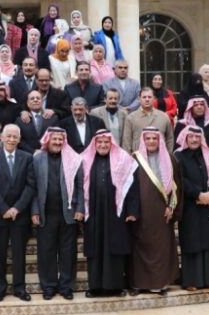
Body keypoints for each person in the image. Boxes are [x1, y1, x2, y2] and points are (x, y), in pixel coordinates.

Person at [81, 130, 139, 296]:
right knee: (95, 250)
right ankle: (95, 287)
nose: (103, 145)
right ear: (94, 144)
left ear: (111, 143)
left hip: (117, 213)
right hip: (93, 213)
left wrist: (132, 211)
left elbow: (132, 187)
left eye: (106, 142)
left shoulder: (123, 160)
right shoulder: (84, 160)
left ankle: (116, 287)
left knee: (115, 249)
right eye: (99, 142)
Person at [0, 124, 36, 302]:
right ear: (2, 138)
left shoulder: (27, 158)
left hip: (20, 215)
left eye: (15, 137)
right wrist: (4, 209)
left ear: (19, 139)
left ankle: (19, 288)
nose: (11, 140)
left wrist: (16, 208)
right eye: (9, 136)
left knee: (19, 254)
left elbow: (30, 186)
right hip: (0, 215)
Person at [31, 127, 84, 300]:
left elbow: (81, 186)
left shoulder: (74, 159)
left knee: (68, 252)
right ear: (47, 140)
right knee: (46, 252)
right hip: (46, 213)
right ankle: (49, 286)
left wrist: (80, 208)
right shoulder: (37, 159)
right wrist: (35, 210)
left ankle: (66, 286)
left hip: (68, 213)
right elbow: (33, 188)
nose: (57, 142)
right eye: (54, 139)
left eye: (60, 139)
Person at [129, 128, 180, 294]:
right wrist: (132, 211)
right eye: (148, 138)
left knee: (161, 249)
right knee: (139, 249)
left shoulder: (170, 159)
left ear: (160, 141)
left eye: (154, 138)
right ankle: (139, 284)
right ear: (143, 141)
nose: (151, 141)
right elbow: (129, 188)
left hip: (162, 213)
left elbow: (176, 187)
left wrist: (171, 207)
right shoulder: (134, 159)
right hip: (141, 213)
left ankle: (160, 284)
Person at [175, 126, 209, 291]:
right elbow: (181, 180)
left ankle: (208, 279)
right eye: (191, 137)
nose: (194, 140)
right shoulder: (179, 156)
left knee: (208, 242)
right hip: (190, 206)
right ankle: (191, 281)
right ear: (185, 138)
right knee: (192, 242)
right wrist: (198, 194)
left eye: (197, 137)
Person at [122, 88, 175, 152]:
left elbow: (170, 139)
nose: (147, 99)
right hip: (138, 156)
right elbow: (126, 142)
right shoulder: (131, 118)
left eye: (149, 97)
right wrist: (129, 157)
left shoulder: (164, 117)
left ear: (154, 98)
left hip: (160, 156)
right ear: (139, 99)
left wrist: (168, 155)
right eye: (144, 97)